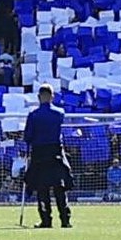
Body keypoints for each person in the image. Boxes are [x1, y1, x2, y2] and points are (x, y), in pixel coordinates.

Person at [22, 85, 72, 229]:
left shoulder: (34, 115)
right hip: (55, 153)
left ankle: (46, 220)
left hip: (39, 154)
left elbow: (28, 137)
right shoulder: (59, 113)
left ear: (39, 97)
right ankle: (65, 219)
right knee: (59, 188)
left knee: (42, 189)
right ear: (52, 96)